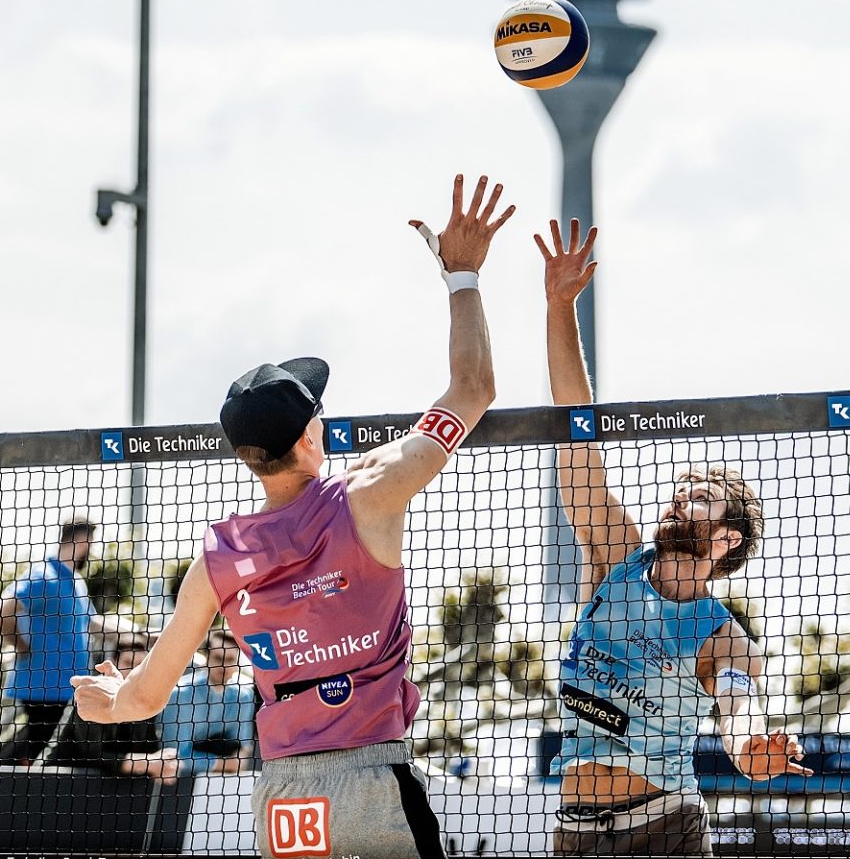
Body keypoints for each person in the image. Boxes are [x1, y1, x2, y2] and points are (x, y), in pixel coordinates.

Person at [75, 173, 517, 859]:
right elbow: (475, 389)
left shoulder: (218, 557)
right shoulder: (369, 492)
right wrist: (462, 275)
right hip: (372, 777)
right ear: (312, 434)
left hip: (282, 795)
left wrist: (103, 700)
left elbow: (142, 699)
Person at [539, 220, 807, 857]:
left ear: (725, 540)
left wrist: (753, 749)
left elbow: (739, 710)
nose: (678, 496)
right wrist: (558, 308)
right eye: (680, 489)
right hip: (575, 833)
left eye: (699, 498)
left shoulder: (722, 636)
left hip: (663, 827)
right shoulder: (613, 558)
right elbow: (576, 433)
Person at [0, 516, 99, 766]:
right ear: (83, 541)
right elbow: (0, 610)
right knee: (38, 745)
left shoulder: (75, 581)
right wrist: (19, 644)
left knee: (46, 747)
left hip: (67, 687)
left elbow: (93, 622)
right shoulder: (43, 575)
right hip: (43, 686)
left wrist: (142, 634)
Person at [47, 632, 179, 784]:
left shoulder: (144, 701)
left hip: (110, 789)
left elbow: (150, 749)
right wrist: (148, 763)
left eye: (140, 666)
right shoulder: (93, 693)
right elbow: (91, 754)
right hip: (56, 781)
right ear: (113, 663)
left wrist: (166, 765)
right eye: (128, 663)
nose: (133, 671)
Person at [160, 624, 255, 773]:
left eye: (230, 660)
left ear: (237, 664)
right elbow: (175, 756)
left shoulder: (244, 696)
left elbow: (241, 749)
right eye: (218, 658)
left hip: (217, 783)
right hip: (172, 783)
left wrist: (230, 762)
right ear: (206, 658)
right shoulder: (179, 694)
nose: (224, 666)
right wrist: (225, 765)